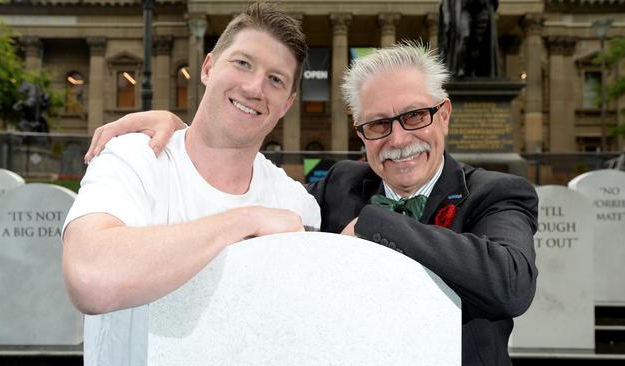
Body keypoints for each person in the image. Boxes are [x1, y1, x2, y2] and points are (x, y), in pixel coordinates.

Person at [86, 41, 538, 366]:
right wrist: (181, 134)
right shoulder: (341, 185)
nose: (398, 139)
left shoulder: (496, 193)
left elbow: (511, 283)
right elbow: (247, 201)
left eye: (415, 116)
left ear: (444, 115)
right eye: (377, 124)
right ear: (360, 133)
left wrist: (378, 226)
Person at [62, 3, 320, 366]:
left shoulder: (296, 205)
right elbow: (89, 276)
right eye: (242, 63)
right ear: (208, 67)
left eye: (275, 80)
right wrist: (245, 221)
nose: (253, 87)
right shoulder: (137, 156)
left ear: (287, 104)